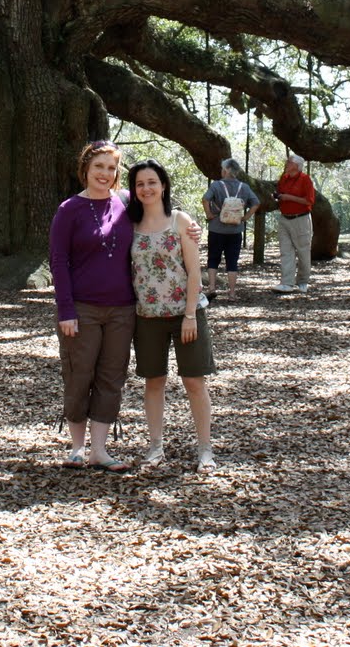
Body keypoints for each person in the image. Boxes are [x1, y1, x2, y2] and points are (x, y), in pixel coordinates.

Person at [48, 140, 136, 471]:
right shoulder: (68, 209)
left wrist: (190, 228)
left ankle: (100, 451)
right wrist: (65, 310)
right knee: (78, 374)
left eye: (111, 168)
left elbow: (161, 217)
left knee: (111, 377)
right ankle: (76, 448)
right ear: (86, 168)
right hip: (82, 308)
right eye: (99, 166)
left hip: (122, 309)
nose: (105, 173)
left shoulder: (127, 204)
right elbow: (58, 261)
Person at [128, 159, 217, 473]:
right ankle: (155, 447)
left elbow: (194, 271)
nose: (146, 188)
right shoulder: (130, 224)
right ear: (134, 190)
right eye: (140, 184)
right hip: (147, 316)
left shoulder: (180, 221)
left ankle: (205, 449)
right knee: (154, 382)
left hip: (186, 313)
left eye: (152, 182)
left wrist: (190, 314)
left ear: (163, 185)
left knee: (194, 381)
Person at [202, 158, 258, 302]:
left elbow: (205, 199)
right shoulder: (244, 187)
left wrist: (209, 214)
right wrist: (245, 217)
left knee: (213, 258)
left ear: (226, 170)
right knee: (232, 261)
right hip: (235, 230)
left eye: (222, 169)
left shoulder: (216, 185)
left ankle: (212, 288)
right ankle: (232, 293)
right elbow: (256, 203)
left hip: (216, 228)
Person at [271, 153, 316, 294]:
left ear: (296, 165)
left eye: (289, 162)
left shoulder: (305, 179)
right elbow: (281, 194)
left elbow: (309, 201)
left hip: (301, 219)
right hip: (285, 218)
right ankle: (287, 283)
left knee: (303, 251)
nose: (286, 164)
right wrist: (277, 197)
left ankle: (303, 281)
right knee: (286, 251)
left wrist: (289, 197)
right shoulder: (283, 179)